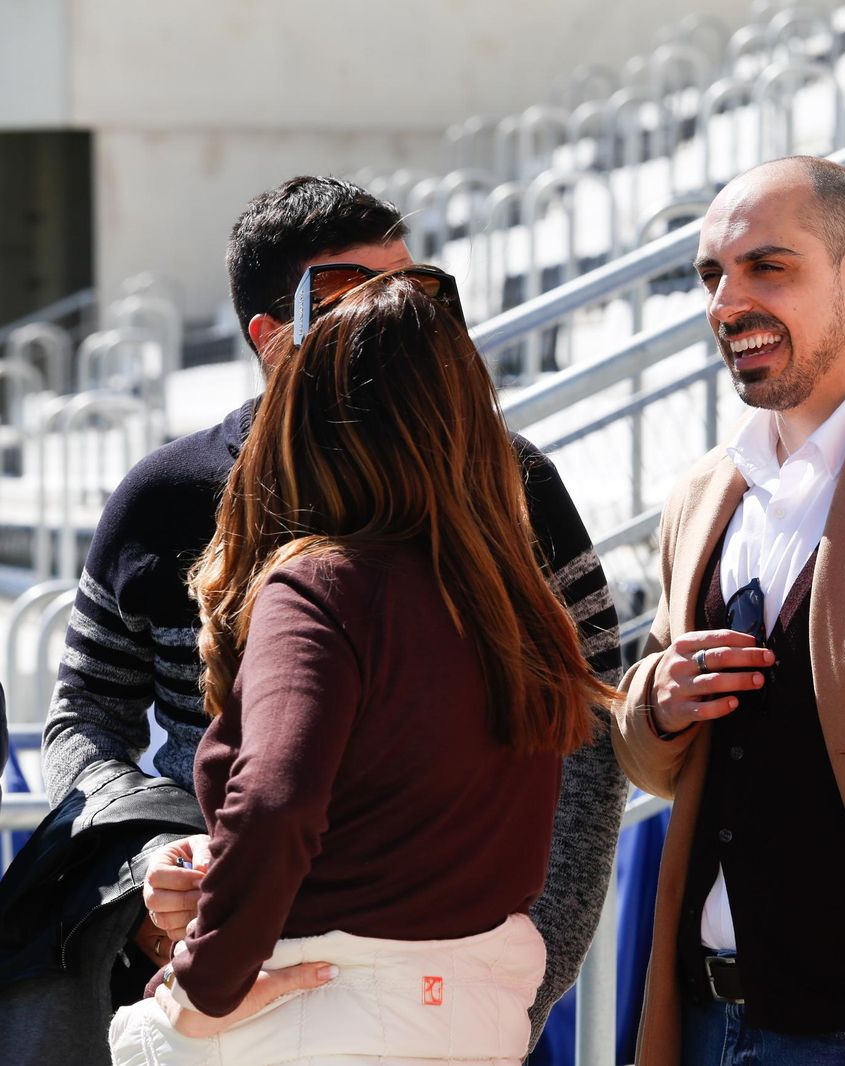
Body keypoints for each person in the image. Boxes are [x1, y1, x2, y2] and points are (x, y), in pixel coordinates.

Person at [31, 177, 625, 1060]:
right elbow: (84, 719)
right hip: (259, 977)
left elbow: (587, 728)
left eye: (414, 294)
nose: (402, 325)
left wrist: (522, 977)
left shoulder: (511, 488)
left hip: (426, 990)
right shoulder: (163, 496)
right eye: (358, 298)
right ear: (270, 339)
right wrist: (152, 868)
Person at [610, 156, 845, 1066]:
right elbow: (645, 755)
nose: (725, 302)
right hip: (703, 1018)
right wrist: (660, 700)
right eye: (713, 275)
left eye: (765, 268)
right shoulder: (706, 490)